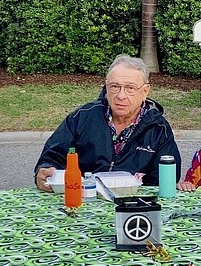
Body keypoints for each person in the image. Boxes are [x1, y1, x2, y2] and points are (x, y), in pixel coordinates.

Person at [34, 55, 181, 190]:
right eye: (115, 87)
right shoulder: (83, 117)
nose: (121, 96)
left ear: (145, 91)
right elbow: (51, 158)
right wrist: (45, 171)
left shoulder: (158, 127)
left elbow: (166, 179)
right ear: (106, 87)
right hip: (84, 197)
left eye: (130, 88)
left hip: (133, 201)